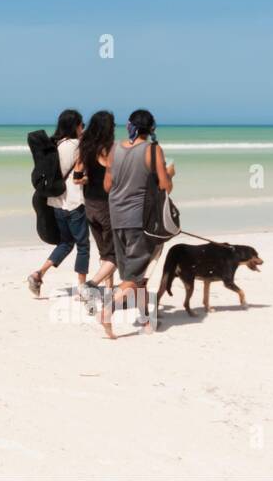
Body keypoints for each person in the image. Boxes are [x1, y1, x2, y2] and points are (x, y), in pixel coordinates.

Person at [99, 108, 174, 339]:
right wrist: (170, 173)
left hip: (117, 218)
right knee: (135, 276)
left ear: (129, 126)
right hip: (140, 220)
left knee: (133, 275)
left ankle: (145, 320)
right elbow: (165, 186)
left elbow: (107, 186)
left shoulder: (114, 149)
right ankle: (109, 309)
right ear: (151, 129)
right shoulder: (153, 149)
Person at [27, 109, 90, 296]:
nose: (82, 128)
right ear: (75, 126)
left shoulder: (54, 145)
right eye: (81, 125)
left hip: (56, 202)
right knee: (83, 245)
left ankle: (38, 274)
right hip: (74, 201)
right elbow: (82, 172)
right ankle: (82, 287)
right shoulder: (77, 145)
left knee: (66, 242)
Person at [73, 111, 116, 303]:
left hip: (89, 206)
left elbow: (76, 177)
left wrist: (87, 179)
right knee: (113, 253)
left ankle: (109, 290)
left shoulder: (85, 148)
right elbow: (112, 178)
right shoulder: (109, 149)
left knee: (103, 251)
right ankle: (96, 286)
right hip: (106, 206)